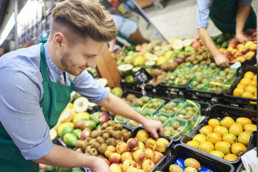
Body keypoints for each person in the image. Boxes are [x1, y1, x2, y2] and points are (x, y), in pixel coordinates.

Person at [0, 0, 163, 171]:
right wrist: (93, 161)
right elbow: (39, 151)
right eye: (87, 56)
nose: (93, 65)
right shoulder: (19, 78)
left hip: (27, 151)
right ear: (59, 41)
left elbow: (105, 98)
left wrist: (145, 121)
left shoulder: (66, 65)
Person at [196, 0, 256, 67]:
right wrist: (217, 55)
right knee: (229, 36)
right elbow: (201, 29)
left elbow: (244, 4)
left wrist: (239, 32)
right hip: (223, 22)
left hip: (246, 20)